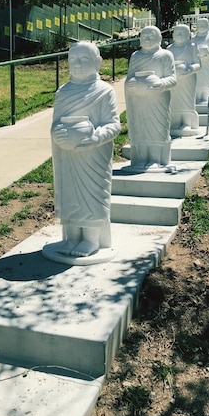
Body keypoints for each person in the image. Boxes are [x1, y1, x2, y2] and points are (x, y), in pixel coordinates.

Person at [48, 41, 120, 259]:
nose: (77, 65)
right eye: (73, 60)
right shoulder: (63, 92)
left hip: (93, 155)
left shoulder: (104, 91)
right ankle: (71, 236)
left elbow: (114, 124)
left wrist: (95, 137)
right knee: (70, 193)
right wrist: (57, 133)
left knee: (93, 193)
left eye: (84, 60)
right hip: (68, 155)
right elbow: (55, 123)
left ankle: (91, 239)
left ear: (98, 62)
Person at [125, 25, 176, 170]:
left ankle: (156, 159)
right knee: (140, 128)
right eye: (144, 36)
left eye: (151, 36)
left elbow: (172, 79)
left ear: (159, 38)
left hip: (158, 101)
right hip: (139, 102)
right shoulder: (136, 56)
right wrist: (132, 83)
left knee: (158, 128)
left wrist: (161, 84)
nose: (147, 39)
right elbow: (129, 79)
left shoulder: (165, 55)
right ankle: (140, 159)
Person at [168, 24, 201, 137]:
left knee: (187, 100)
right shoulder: (169, 49)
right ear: (173, 35)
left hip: (188, 79)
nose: (180, 35)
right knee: (174, 100)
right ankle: (176, 122)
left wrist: (190, 69)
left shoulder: (191, 46)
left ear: (188, 35)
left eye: (183, 33)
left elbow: (198, 64)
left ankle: (187, 123)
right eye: (177, 32)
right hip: (174, 79)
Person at [192, 17, 209, 105]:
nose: (201, 27)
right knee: (197, 81)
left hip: (207, 63)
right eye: (199, 26)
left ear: (208, 26)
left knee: (207, 80)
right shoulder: (193, 39)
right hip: (197, 63)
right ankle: (197, 97)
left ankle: (207, 97)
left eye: (203, 25)